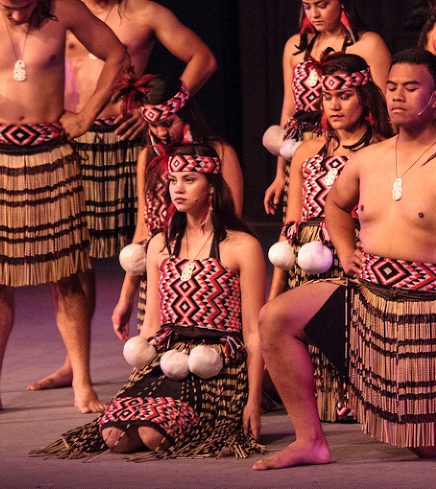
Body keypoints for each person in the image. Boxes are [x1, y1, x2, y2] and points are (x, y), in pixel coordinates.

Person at [254, 49, 436, 470]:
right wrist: (346, 252)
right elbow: (335, 205)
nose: (397, 97)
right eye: (391, 88)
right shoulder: (368, 159)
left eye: (410, 88)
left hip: (430, 304)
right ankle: (309, 440)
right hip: (367, 290)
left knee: (430, 448)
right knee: (276, 317)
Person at [28, 0, 217, 393]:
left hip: (129, 139)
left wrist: (156, 110)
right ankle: (74, 362)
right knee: (70, 252)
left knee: (157, 237)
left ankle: (166, 342)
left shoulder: (144, 13)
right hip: (70, 136)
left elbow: (203, 57)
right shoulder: (57, 10)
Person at [35, 144, 265, 460]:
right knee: (113, 435)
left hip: (216, 364)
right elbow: (153, 324)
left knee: (153, 434)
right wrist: (137, 381)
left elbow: (253, 333)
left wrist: (253, 400)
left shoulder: (243, 246)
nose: (178, 188)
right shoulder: (159, 243)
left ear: (211, 185)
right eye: (172, 180)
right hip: (167, 356)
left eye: (189, 179)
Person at [0, 0, 129, 418]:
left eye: (23, 6)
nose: (15, 14)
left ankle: (83, 383)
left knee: (68, 275)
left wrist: (88, 113)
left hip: (52, 154)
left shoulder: (65, 9)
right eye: (7, 7)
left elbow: (117, 54)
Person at [268, 53, 393, 422]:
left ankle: (359, 396)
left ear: (364, 97)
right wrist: (277, 287)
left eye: (345, 95)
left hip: (358, 251)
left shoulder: (382, 150)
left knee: (352, 329)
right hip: (307, 253)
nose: (335, 105)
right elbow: (290, 225)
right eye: (327, 96)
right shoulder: (306, 153)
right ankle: (319, 401)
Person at [111, 74, 244, 342]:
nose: (161, 132)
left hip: (211, 282)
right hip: (160, 281)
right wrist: (125, 297)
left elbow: (232, 229)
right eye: (153, 125)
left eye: (168, 123)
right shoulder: (147, 158)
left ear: (185, 112)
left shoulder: (220, 155)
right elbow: (143, 230)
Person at [263, 0, 391, 215]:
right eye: (307, 6)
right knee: (301, 228)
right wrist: (280, 174)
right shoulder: (295, 47)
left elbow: (382, 108)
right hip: (302, 153)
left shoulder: (367, 44)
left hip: (352, 146)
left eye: (321, 5)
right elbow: (289, 111)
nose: (314, 14)